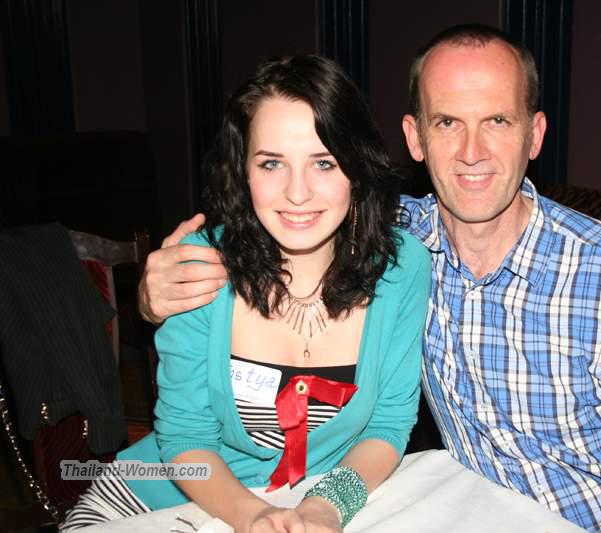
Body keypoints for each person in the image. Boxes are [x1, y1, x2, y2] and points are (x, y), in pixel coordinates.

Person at [137, 25, 601, 532]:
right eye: (447, 122)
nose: (472, 151)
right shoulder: (393, 246)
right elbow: (300, 213)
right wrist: (151, 294)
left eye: (497, 120)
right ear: (414, 138)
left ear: (535, 135)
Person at [61, 54, 430, 533]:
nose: (297, 193)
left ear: (357, 169)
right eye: (272, 163)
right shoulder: (199, 265)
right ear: (244, 171)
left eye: (323, 163)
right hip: (167, 492)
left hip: (317, 497)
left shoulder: (401, 268)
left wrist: (325, 506)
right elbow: (186, 436)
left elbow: (387, 424)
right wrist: (254, 516)